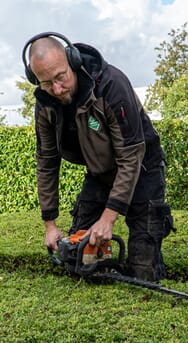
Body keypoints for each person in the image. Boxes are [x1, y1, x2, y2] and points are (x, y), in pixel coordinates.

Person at [22, 32, 174, 282]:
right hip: (100, 171)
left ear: (72, 61)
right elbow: (46, 162)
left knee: (143, 269)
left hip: (143, 165)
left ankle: (147, 264)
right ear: (35, 79)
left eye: (61, 77)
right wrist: (49, 224)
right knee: (78, 256)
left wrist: (108, 218)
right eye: (47, 83)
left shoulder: (111, 85)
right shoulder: (46, 104)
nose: (57, 89)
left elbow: (130, 156)